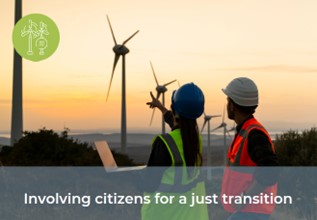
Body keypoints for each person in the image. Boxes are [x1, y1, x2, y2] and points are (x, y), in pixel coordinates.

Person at [141, 82, 209, 220]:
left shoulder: (164, 143)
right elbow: (179, 123)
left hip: (165, 214)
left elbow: (148, 183)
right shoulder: (195, 139)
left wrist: (124, 175)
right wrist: (161, 107)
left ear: (174, 111)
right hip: (191, 215)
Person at [220, 77, 279, 220]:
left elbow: (270, 170)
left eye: (228, 101)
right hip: (248, 212)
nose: (227, 105)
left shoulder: (254, 134)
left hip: (252, 212)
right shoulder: (247, 131)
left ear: (233, 105)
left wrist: (245, 198)